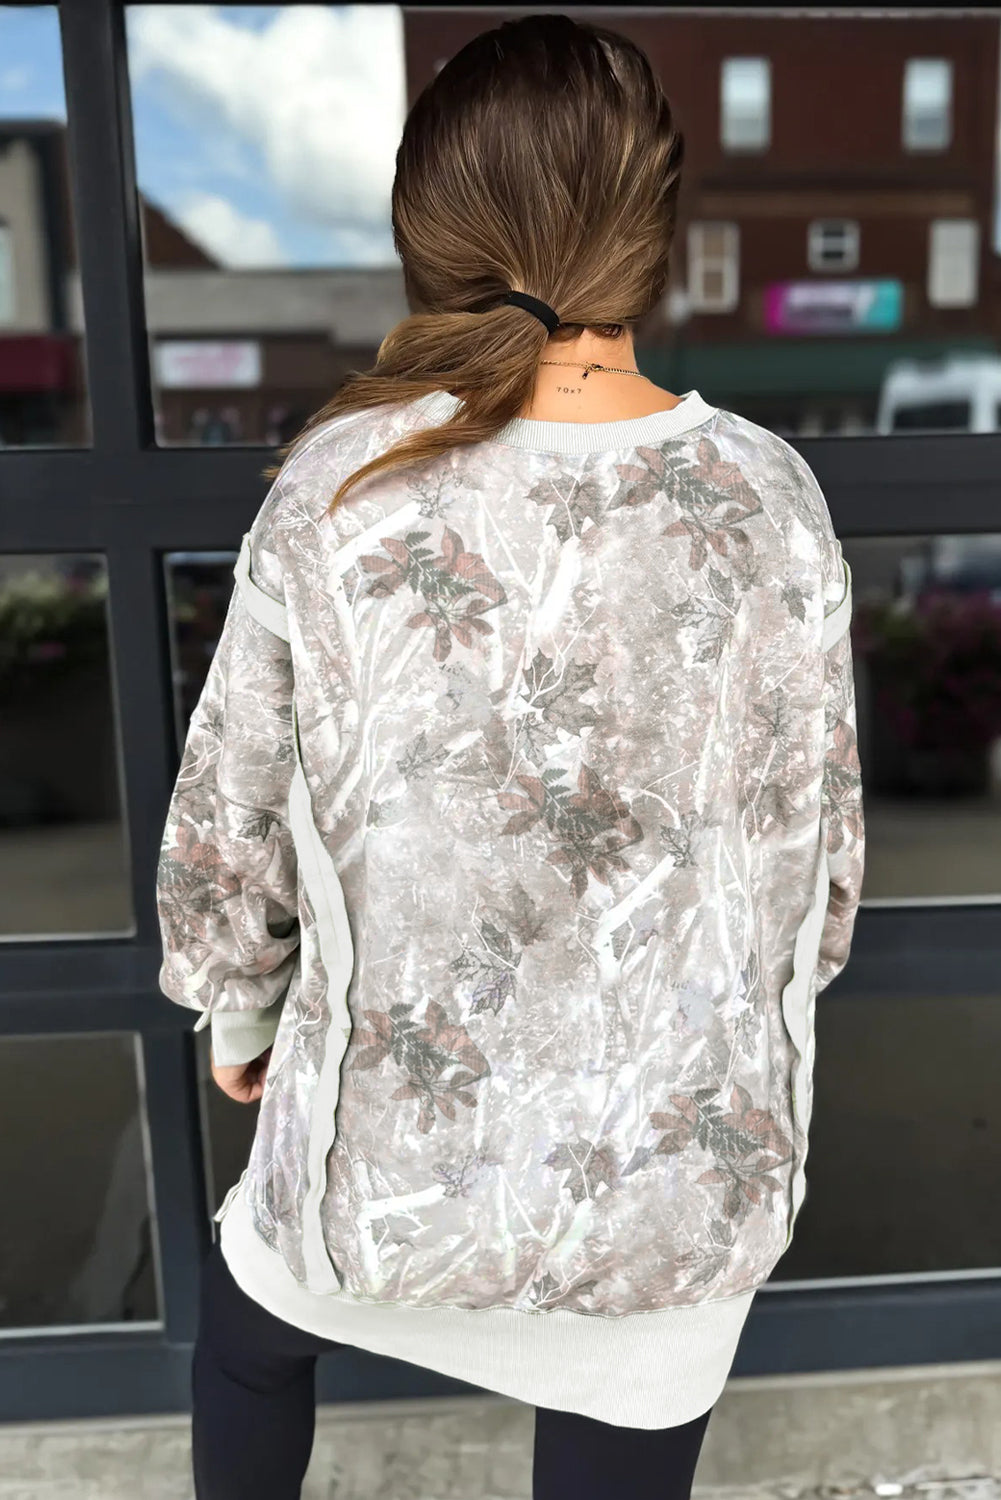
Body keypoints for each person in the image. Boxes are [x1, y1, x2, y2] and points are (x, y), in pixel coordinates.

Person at [155, 13, 865, 1500]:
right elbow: (816, 859)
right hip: (670, 1188)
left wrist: (238, 1013)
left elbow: (236, 808)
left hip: (379, 1163)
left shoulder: (342, 485)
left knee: (248, 1347)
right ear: (652, 235)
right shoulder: (771, 499)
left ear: (429, 234)